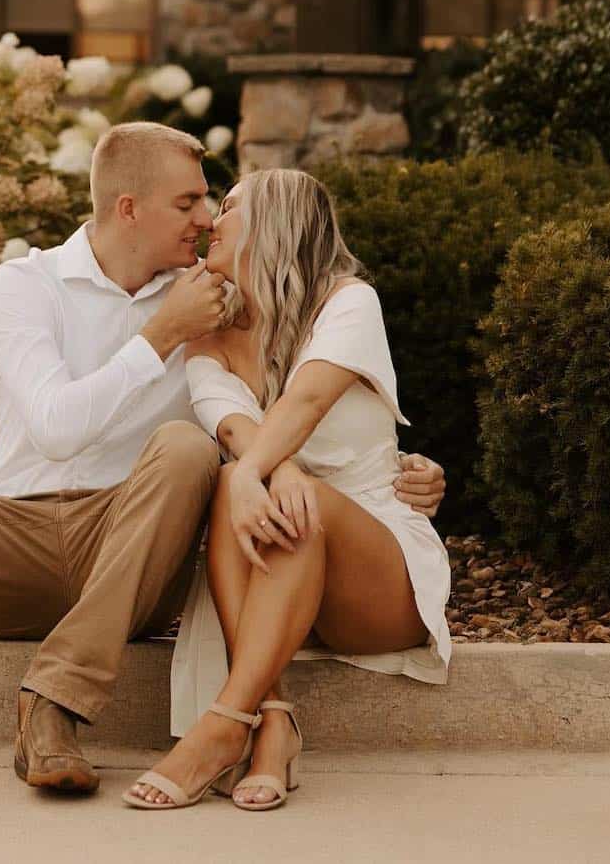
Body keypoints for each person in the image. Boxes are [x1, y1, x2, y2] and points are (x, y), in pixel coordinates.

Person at [0, 124, 445, 818]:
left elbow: (276, 401)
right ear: (128, 208)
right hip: (9, 537)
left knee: (189, 450)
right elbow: (57, 429)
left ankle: (55, 705)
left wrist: (392, 470)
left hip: (133, 549)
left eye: (212, 203)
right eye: (188, 202)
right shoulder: (26, 286)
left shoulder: (216, 299)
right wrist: (160, 333)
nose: (203, 219)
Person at [124, 169, 451, 812]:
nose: (212, 220)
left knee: (267, 491)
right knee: (242, 483)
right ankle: (271, 724)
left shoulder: (349, 302)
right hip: (277, 566)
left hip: (378, 577)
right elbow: (234, 424)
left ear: (276, 220)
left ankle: (221, 726)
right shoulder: (208, 340)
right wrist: (271, 470)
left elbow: (306, 399)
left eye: (230, 206)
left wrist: (259, 472)